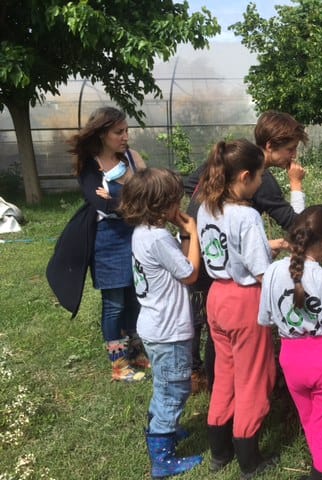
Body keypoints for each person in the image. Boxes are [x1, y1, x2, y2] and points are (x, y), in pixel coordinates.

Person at [183, 110, 308, 393]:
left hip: (201, 245)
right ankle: (232, 386)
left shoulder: (228, 157)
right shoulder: (259, 182)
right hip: (226, 273)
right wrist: (296, 186)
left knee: (203, 315)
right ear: (269, 147)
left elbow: (190, 185)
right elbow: (296, 226)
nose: (293, 155)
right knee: (220, 330)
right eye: (290, 149)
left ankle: (203, 378)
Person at [197, 139, 285, 479]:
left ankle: (220, 450)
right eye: (261, 175)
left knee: (226, 374)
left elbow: (233, 251)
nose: (263, 182)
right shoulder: (247, 215)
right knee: (254, 378)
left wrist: (268, 246)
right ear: (245, 176)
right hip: (244, 301)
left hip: (217, 297)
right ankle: (249, 456)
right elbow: (260, 272)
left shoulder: (207, 206)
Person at [258, 205, 322, 480]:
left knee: (311, 421)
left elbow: (265, 317)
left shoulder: (274, 271)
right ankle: (321, 474)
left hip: (291, 357)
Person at [119, 167, 203, 478]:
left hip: (154, 325)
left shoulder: (143, 233)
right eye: (174, 202)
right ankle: (162, 457)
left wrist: (181, 235)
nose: (178, 207)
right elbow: (191, 273)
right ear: (159, 206)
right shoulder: (157, 238)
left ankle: (161, 429)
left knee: (165, 384)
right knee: (175, 390)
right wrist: (192, 233)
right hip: (169, 330)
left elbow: (179, 265)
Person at [67, 106, 148, 382]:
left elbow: (147, 196)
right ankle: (119, 365)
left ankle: (136, 352)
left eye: (126, 131)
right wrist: (124, 202)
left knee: (135, 298)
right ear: (102, 134)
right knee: (114, 303)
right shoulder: (89, 165)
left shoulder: (133, 159)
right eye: (118, 132)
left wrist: (118, 202)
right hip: (108, 243)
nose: (125, 136)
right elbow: (100, 203)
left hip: (135, 237)